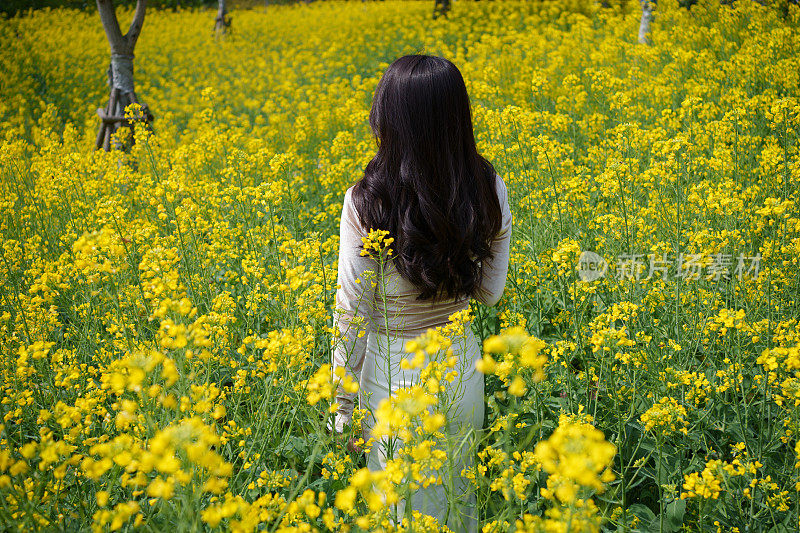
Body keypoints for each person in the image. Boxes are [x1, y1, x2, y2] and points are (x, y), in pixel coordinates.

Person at [331, 54, 512, 532]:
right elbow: (491, 293)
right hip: (462, 374)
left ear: (388, 118)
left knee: (402, 515)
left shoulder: (367, 199)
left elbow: (352, 311)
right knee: (458, 505)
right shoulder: (488, 187)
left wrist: (341, 407)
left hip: (395, 383)